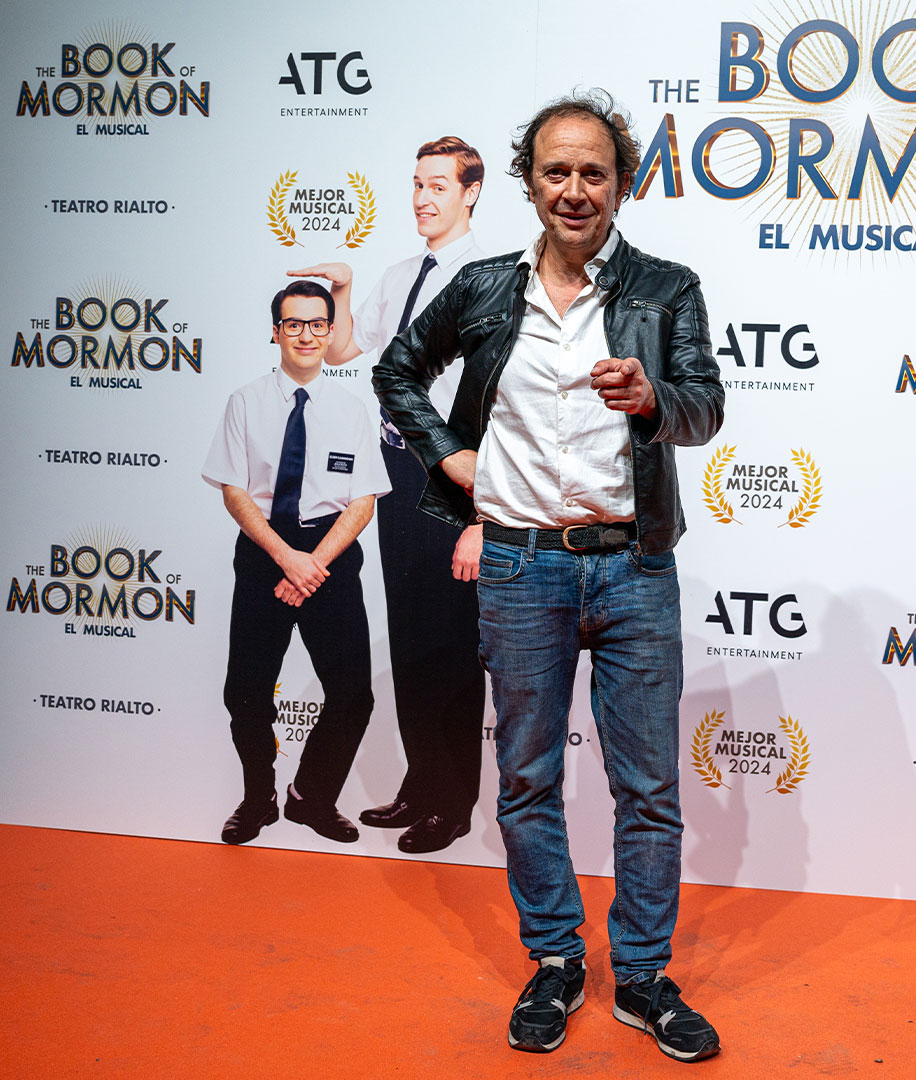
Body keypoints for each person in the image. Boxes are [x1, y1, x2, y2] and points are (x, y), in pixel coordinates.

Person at [373, 91, 724, 1061]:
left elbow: (705, 410)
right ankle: (557, 960)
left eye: (594, 172)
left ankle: (642, 976)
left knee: (649, 788)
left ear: (622, 184)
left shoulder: (666, 288)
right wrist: (451, 458)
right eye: (556, 171)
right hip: (520, 566)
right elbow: (398, 371)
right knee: (527, 775)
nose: (575, 189)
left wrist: (654, 397)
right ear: (528, 183)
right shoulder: (486, 287)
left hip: (634, 565)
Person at [292, 136, 489, 854]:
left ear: (470, 193)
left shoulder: (492, 277)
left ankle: (453, 801)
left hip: (452, 472)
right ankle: (420, 783)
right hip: (395, 468)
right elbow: (346, 349)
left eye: (438, 185)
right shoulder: (403, 272)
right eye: (416, 184)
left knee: (451, 641)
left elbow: (493, 394)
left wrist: (481, 509)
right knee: (408, 633)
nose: (422, 198)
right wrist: (343, 290)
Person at [202, 280, 390, 846]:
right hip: (265, 553)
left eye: (316, 324)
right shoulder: (244, 402)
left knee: (353, 694)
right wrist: (285, 558)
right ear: (276, 331)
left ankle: (311, 797)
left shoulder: (352, 410)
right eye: (293, 324)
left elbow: (363, 501)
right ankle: (258, 798)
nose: (305, 335)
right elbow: (234, 490)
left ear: (330, 332)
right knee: (246, 692)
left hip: (330, 555)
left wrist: (312, 565)